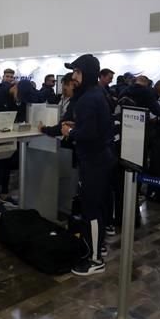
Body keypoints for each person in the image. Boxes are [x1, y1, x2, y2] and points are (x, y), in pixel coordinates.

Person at [63, 54, 115, 276]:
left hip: (94, 161)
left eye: (77, 72)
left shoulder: (88, 99)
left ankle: (95, 260)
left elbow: (89, 134)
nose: (74, 77)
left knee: (91, 209)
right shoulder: (95, 95)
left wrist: (70, 131)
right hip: (99, 159)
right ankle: (96, 247)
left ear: (87, 74)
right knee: (96, 208)